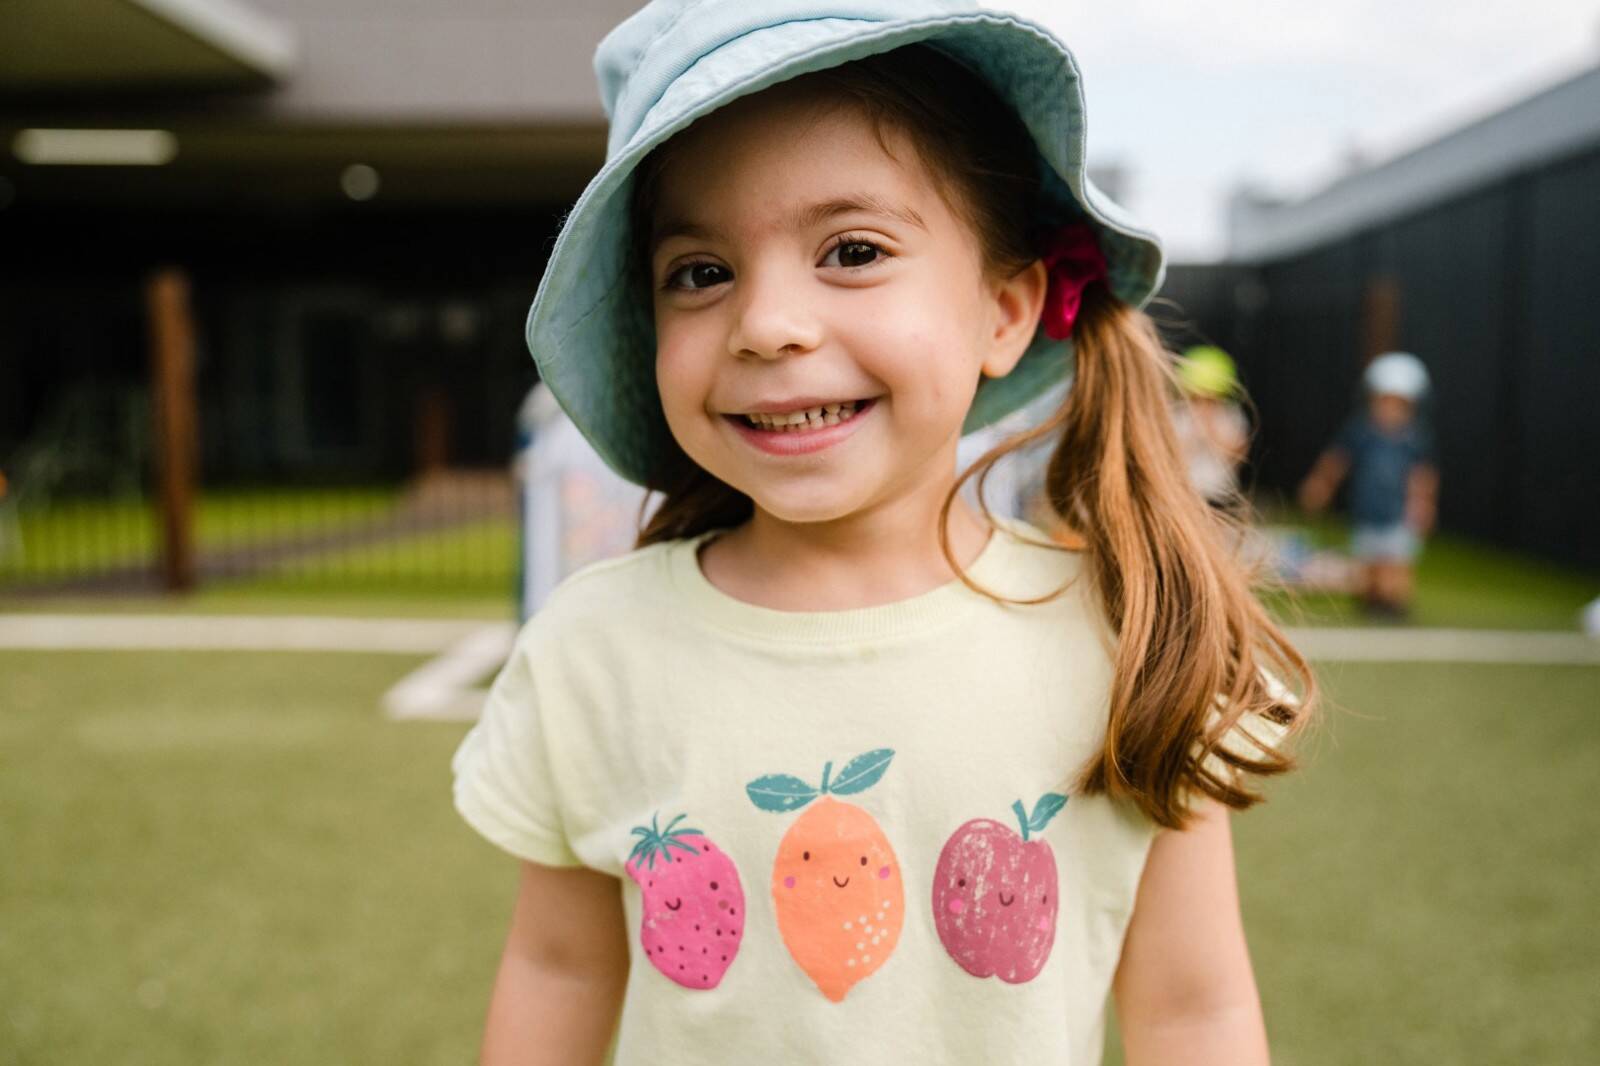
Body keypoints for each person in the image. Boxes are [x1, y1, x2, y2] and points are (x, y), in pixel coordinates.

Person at [450, 4, 1313, 1063]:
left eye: (851, 250)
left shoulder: (1123, 633)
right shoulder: (593, 647)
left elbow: (1192, 1008)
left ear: (1004, 311)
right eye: (700, 271)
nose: (767, 323)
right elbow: (560, 966)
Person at [1298, 351, 1438, 620]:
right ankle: (1373, 600)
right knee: (1369, 567)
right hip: (1367, 510)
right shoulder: (1360, 432)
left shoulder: (1415, 439)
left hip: (1398, 513)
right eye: (1384, 402)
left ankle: (1394, 604)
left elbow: (1422, 476)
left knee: (1396, 565)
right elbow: (1335, 461)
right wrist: (1320, 486)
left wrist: (1422, 504)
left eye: (1398, 404)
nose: (1389, 410)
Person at [1171, 345, 1250, 511]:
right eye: (1198, 398)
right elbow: (1173, 456)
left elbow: (1235, 455)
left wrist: (1211, 430)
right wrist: (1193, 433)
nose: (1204, 404)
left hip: (1219, 494)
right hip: (1186, 491)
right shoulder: (1179, 417)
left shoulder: (1231, 417)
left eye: (1210, 399)